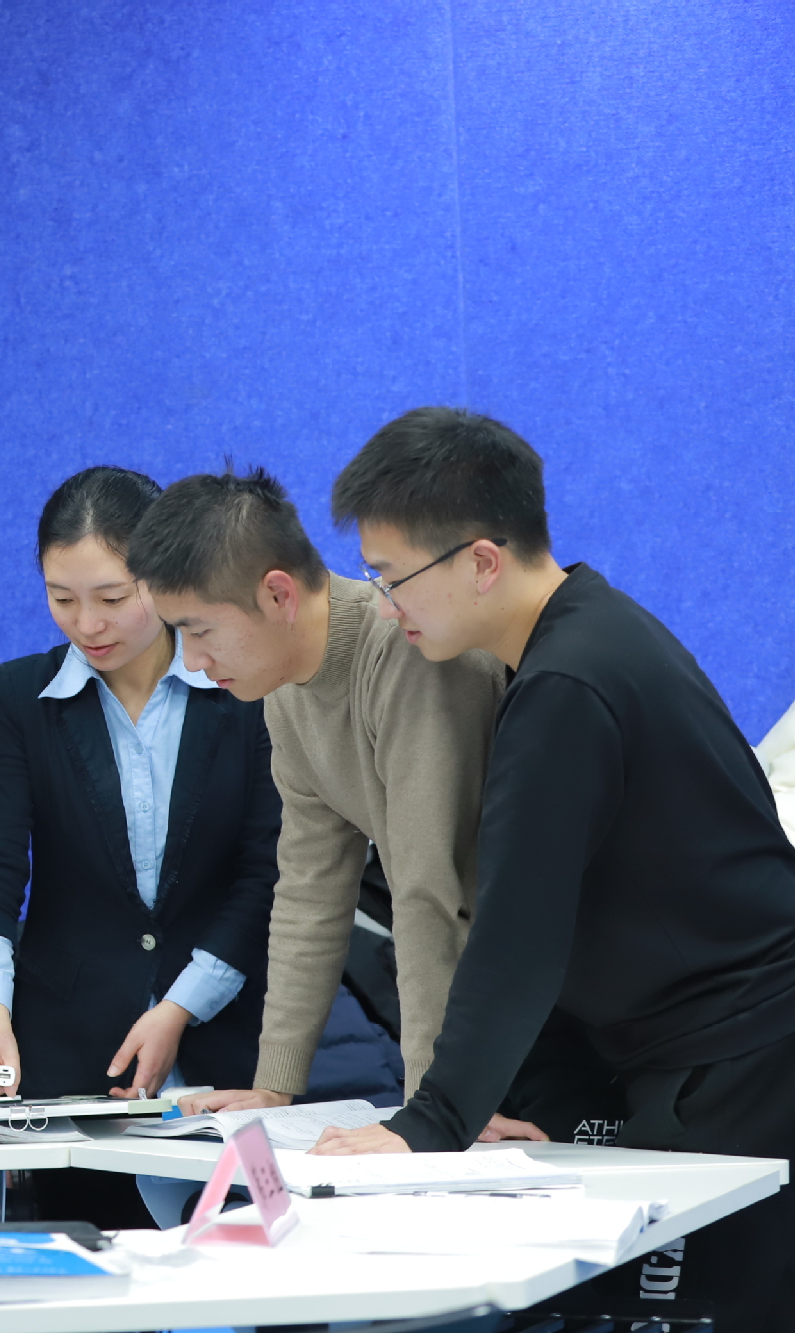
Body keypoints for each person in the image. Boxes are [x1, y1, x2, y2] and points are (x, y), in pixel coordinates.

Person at [313, 407, 795, 1331]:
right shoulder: (589, 632)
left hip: (741, 1063)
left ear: (480, 561)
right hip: (704, 1051)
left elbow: (518, 934)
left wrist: (429, 1122)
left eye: (391, 576)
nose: (383, 603)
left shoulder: (568, 682)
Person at [125, 468, 527, 1128]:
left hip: (558, 999)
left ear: (277, 593)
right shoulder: (283, 688)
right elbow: (309, 889)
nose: (191, 661)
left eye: (199, 631)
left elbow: (433, 893)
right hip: (491, 1012)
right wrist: (273, 1086)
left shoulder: (410, 652)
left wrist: (433, 1112)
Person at [0, 466, 280, 1227]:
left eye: (111, 597)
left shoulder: (243, 690)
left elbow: (268, 873)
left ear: (162, 576)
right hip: (72, 1059)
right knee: (94, 1266)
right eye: (62, 598)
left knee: (250, 1258)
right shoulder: (21, 700)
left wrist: (180, 1007)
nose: (87, 624)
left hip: (232, 1047)